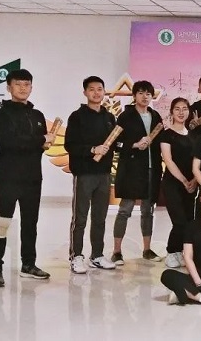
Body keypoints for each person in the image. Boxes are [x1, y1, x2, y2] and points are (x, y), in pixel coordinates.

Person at [0, 69, 54, 287]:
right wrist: (41, 140)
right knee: (3, 222)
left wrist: (44, 143)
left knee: (30, 223)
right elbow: (10, 143)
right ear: (9, 87)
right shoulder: (3, 114)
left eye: (26, 84)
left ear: (31, 87)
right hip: (9, 176)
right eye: (18, 84)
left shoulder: (37, 116)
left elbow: (38, 147)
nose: (23, 88)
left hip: (33, 178)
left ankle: (28, 265)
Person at [64, 76, 117, 274]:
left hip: (104, 174)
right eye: (92, 89)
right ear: (85, 92)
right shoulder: (77, 117)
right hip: (84, 173)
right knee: (80, 217)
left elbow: (114, 144)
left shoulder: (109, 117)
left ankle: (97, 255)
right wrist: (93, 149)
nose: (96, 93)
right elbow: (70, 145)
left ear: (104, 92)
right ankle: (76, 256)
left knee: (100, 217)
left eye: (100, 89)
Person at [112, 80, 164, 265]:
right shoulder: (125, 116)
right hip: (131, 170)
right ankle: (117, 251)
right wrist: (134, 144)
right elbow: (116, 143)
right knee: (124, 210)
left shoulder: (155, 116)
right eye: (141, 93)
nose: (145, 97)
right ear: (134, 96)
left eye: (148, 94)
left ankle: (147, 249)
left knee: (147, 211)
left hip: (152, 169)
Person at [161, 98, 198, 270]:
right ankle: (171, 252)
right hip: (173, 183)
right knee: (179, 220)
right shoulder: (167, 134)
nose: (181, 112)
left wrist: (194, 181)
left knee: (189, 221)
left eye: (184, 109)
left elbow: (197, 161)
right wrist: (184, 180)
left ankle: (180, 252)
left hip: (191, 185)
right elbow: (168, 160)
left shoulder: (193, 136)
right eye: (177, 109)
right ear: (172, 112)